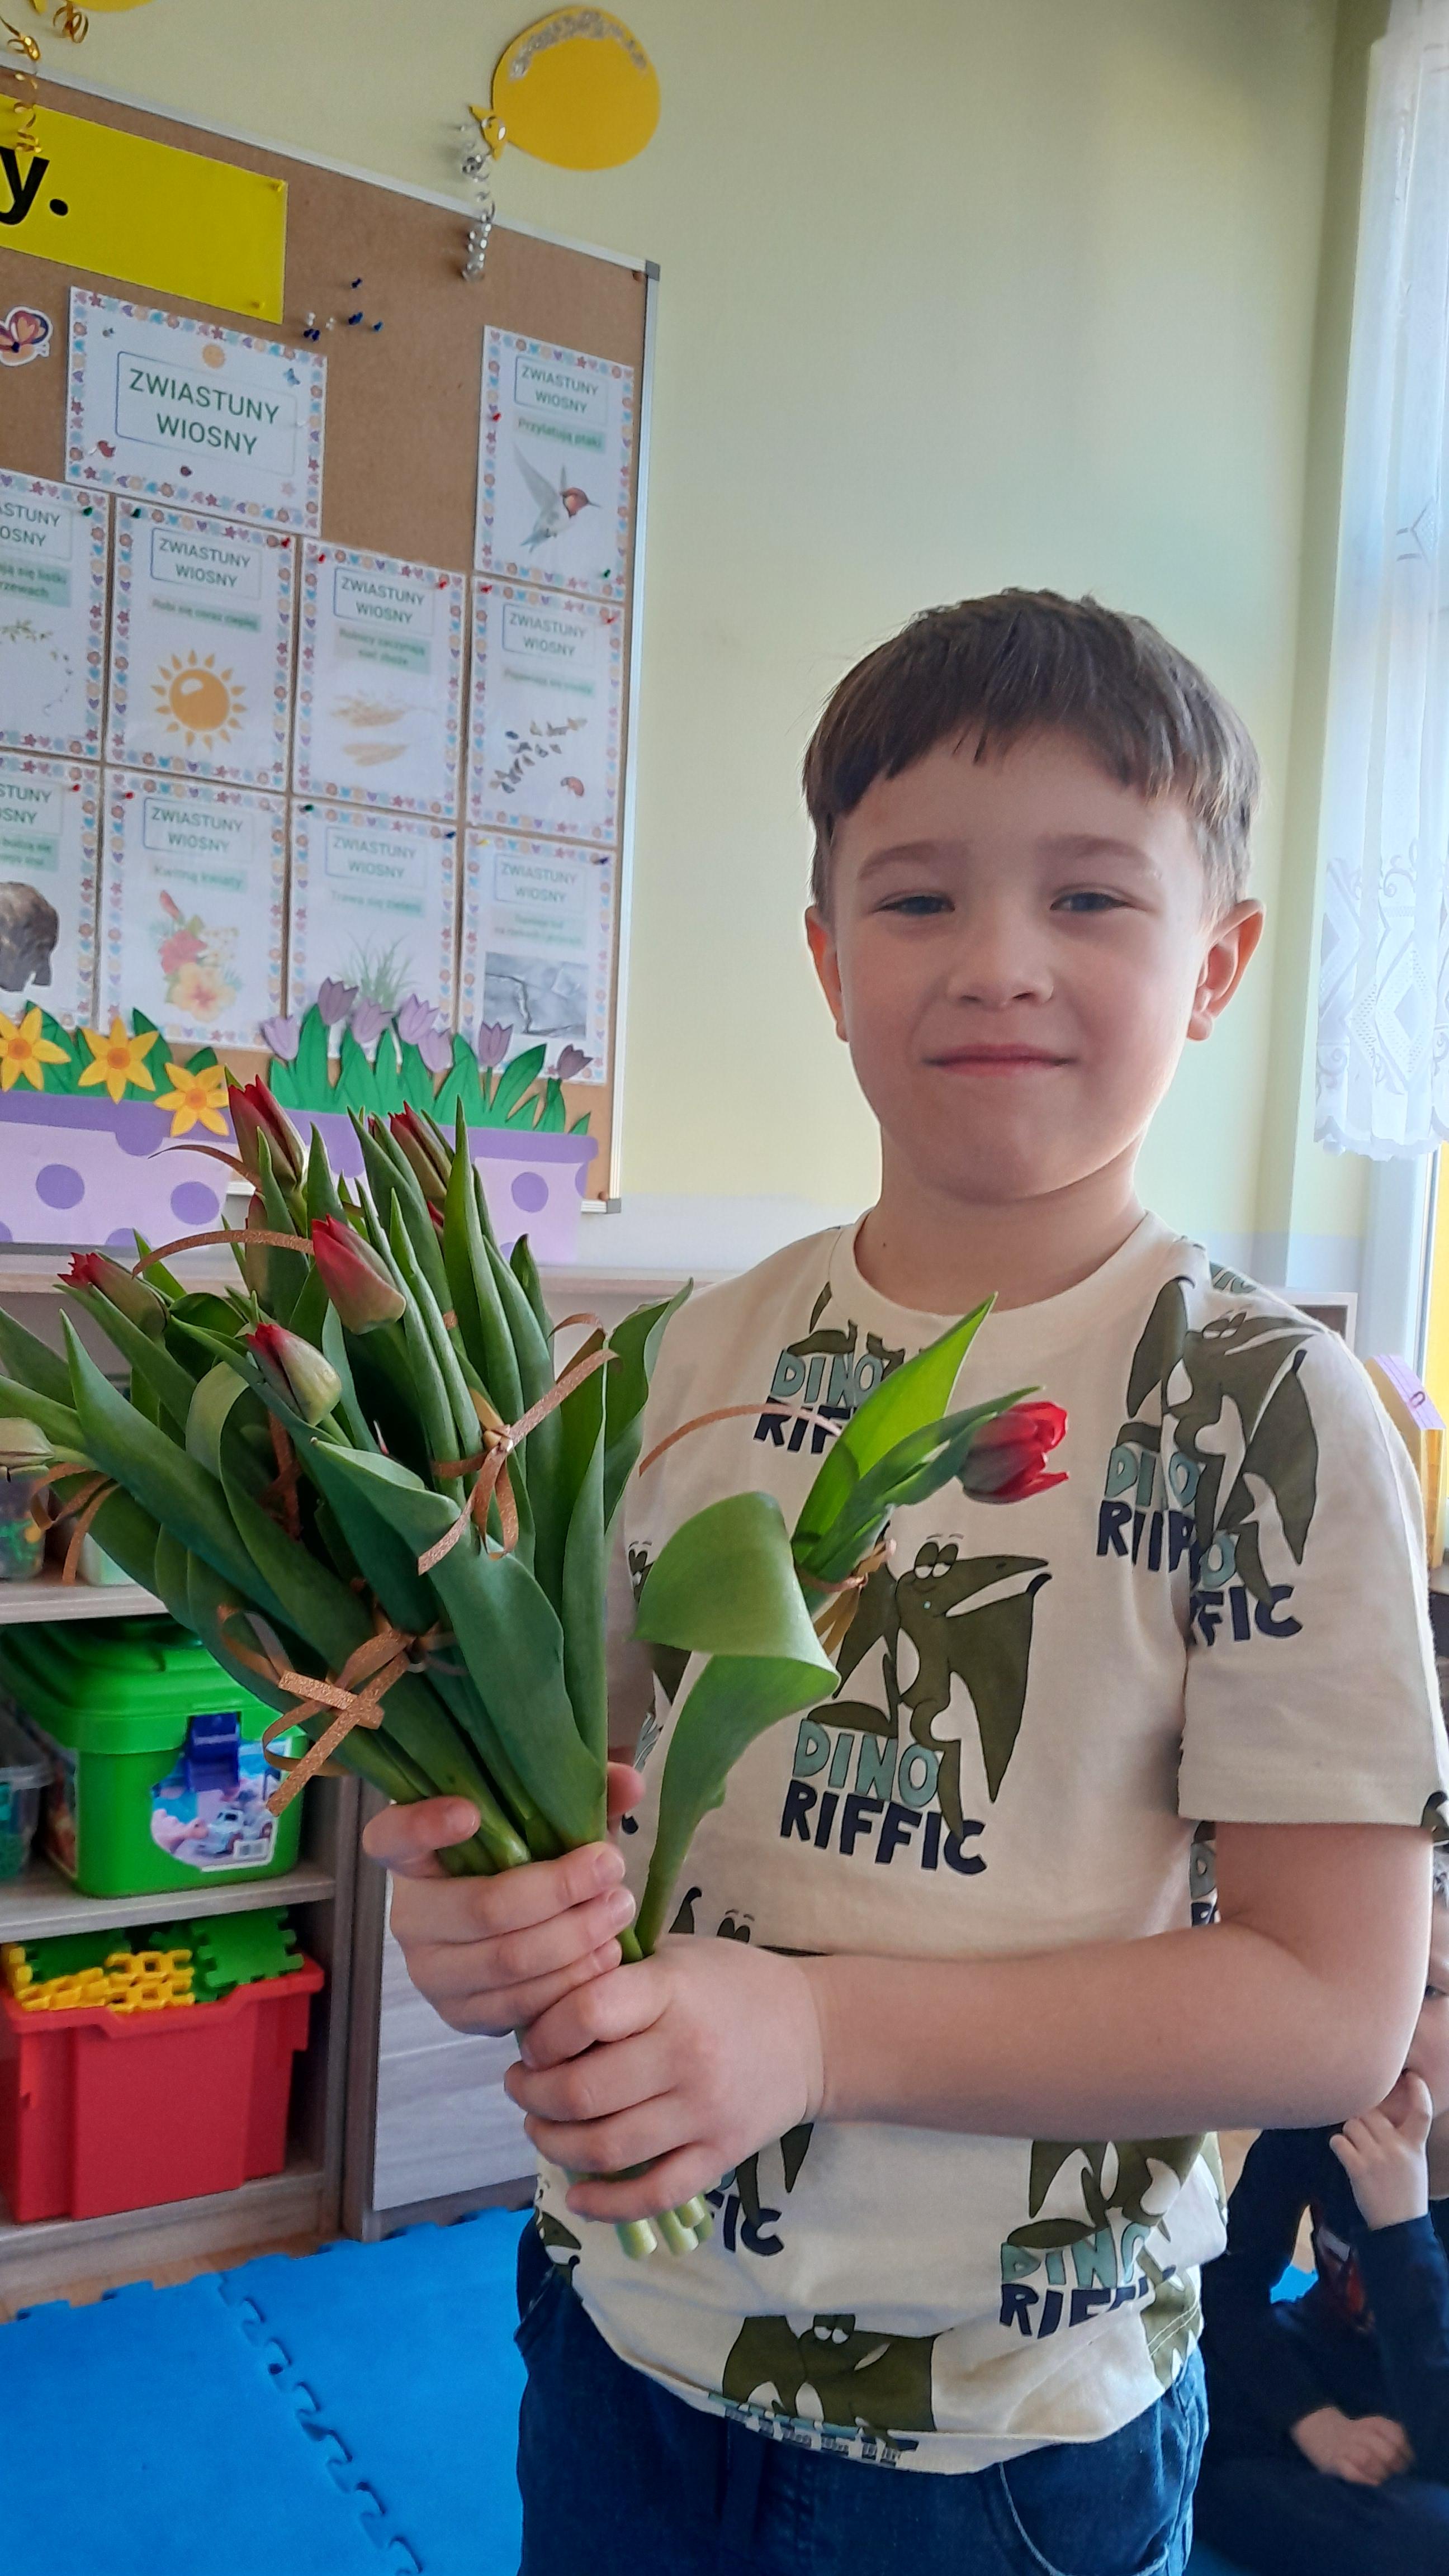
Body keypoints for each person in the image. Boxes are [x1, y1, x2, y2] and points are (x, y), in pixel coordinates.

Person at [365, 591, 1449, 2576]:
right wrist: (480, 1915)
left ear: (1216, 964)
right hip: (620, 2334)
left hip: (1008, 2434)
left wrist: (818, 2034)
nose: (999, 960)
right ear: (827, 958)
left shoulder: (1262, 1410)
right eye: (919, 896)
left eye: (1091, 897)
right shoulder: (679, 1363)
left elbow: (1328, 2006)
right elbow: (572, 1793)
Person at [1195, 1856, 1449, 2574]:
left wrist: (1402, 2227)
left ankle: (1205, 2492)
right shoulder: (1323, 2113)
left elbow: (1441, 2438)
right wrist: (1316, 2424)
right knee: (1161, 2366)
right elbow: (1227, 2285)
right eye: (1380, 1981)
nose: (1392, 2018)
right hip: (1319, 2378)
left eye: (1429, 1990)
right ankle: (1222, 2486)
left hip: (1427, 2427)